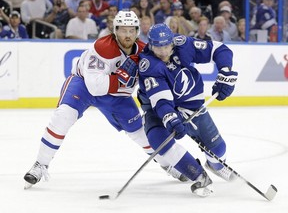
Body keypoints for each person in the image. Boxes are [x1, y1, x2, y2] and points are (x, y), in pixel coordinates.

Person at [23, 11, 185, 189]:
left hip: (117, 95)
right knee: (63, 116)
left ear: (137, 31)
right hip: (83, 85)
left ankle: (167, 163)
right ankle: (41, 164)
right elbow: (95, 86)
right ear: (115, 30)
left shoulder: (145, 52)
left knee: (141, 132)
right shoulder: (102, 47)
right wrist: (122, 78)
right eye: (123, 30)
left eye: (132, 30)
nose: (128, 35)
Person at [137, 23, 238, 197]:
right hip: (158, 109)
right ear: (151, 45)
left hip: (191, 106)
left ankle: (216, 164)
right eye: (157, 47)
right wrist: (170, 118)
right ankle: (198, 175)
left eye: (166, 46)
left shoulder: (183, 44)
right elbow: (161, 100)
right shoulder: (148, 64)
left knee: (218, 149)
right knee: (158, 138)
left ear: (172, 43)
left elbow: (219, 49)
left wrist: (225, 71)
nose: (162, 52)